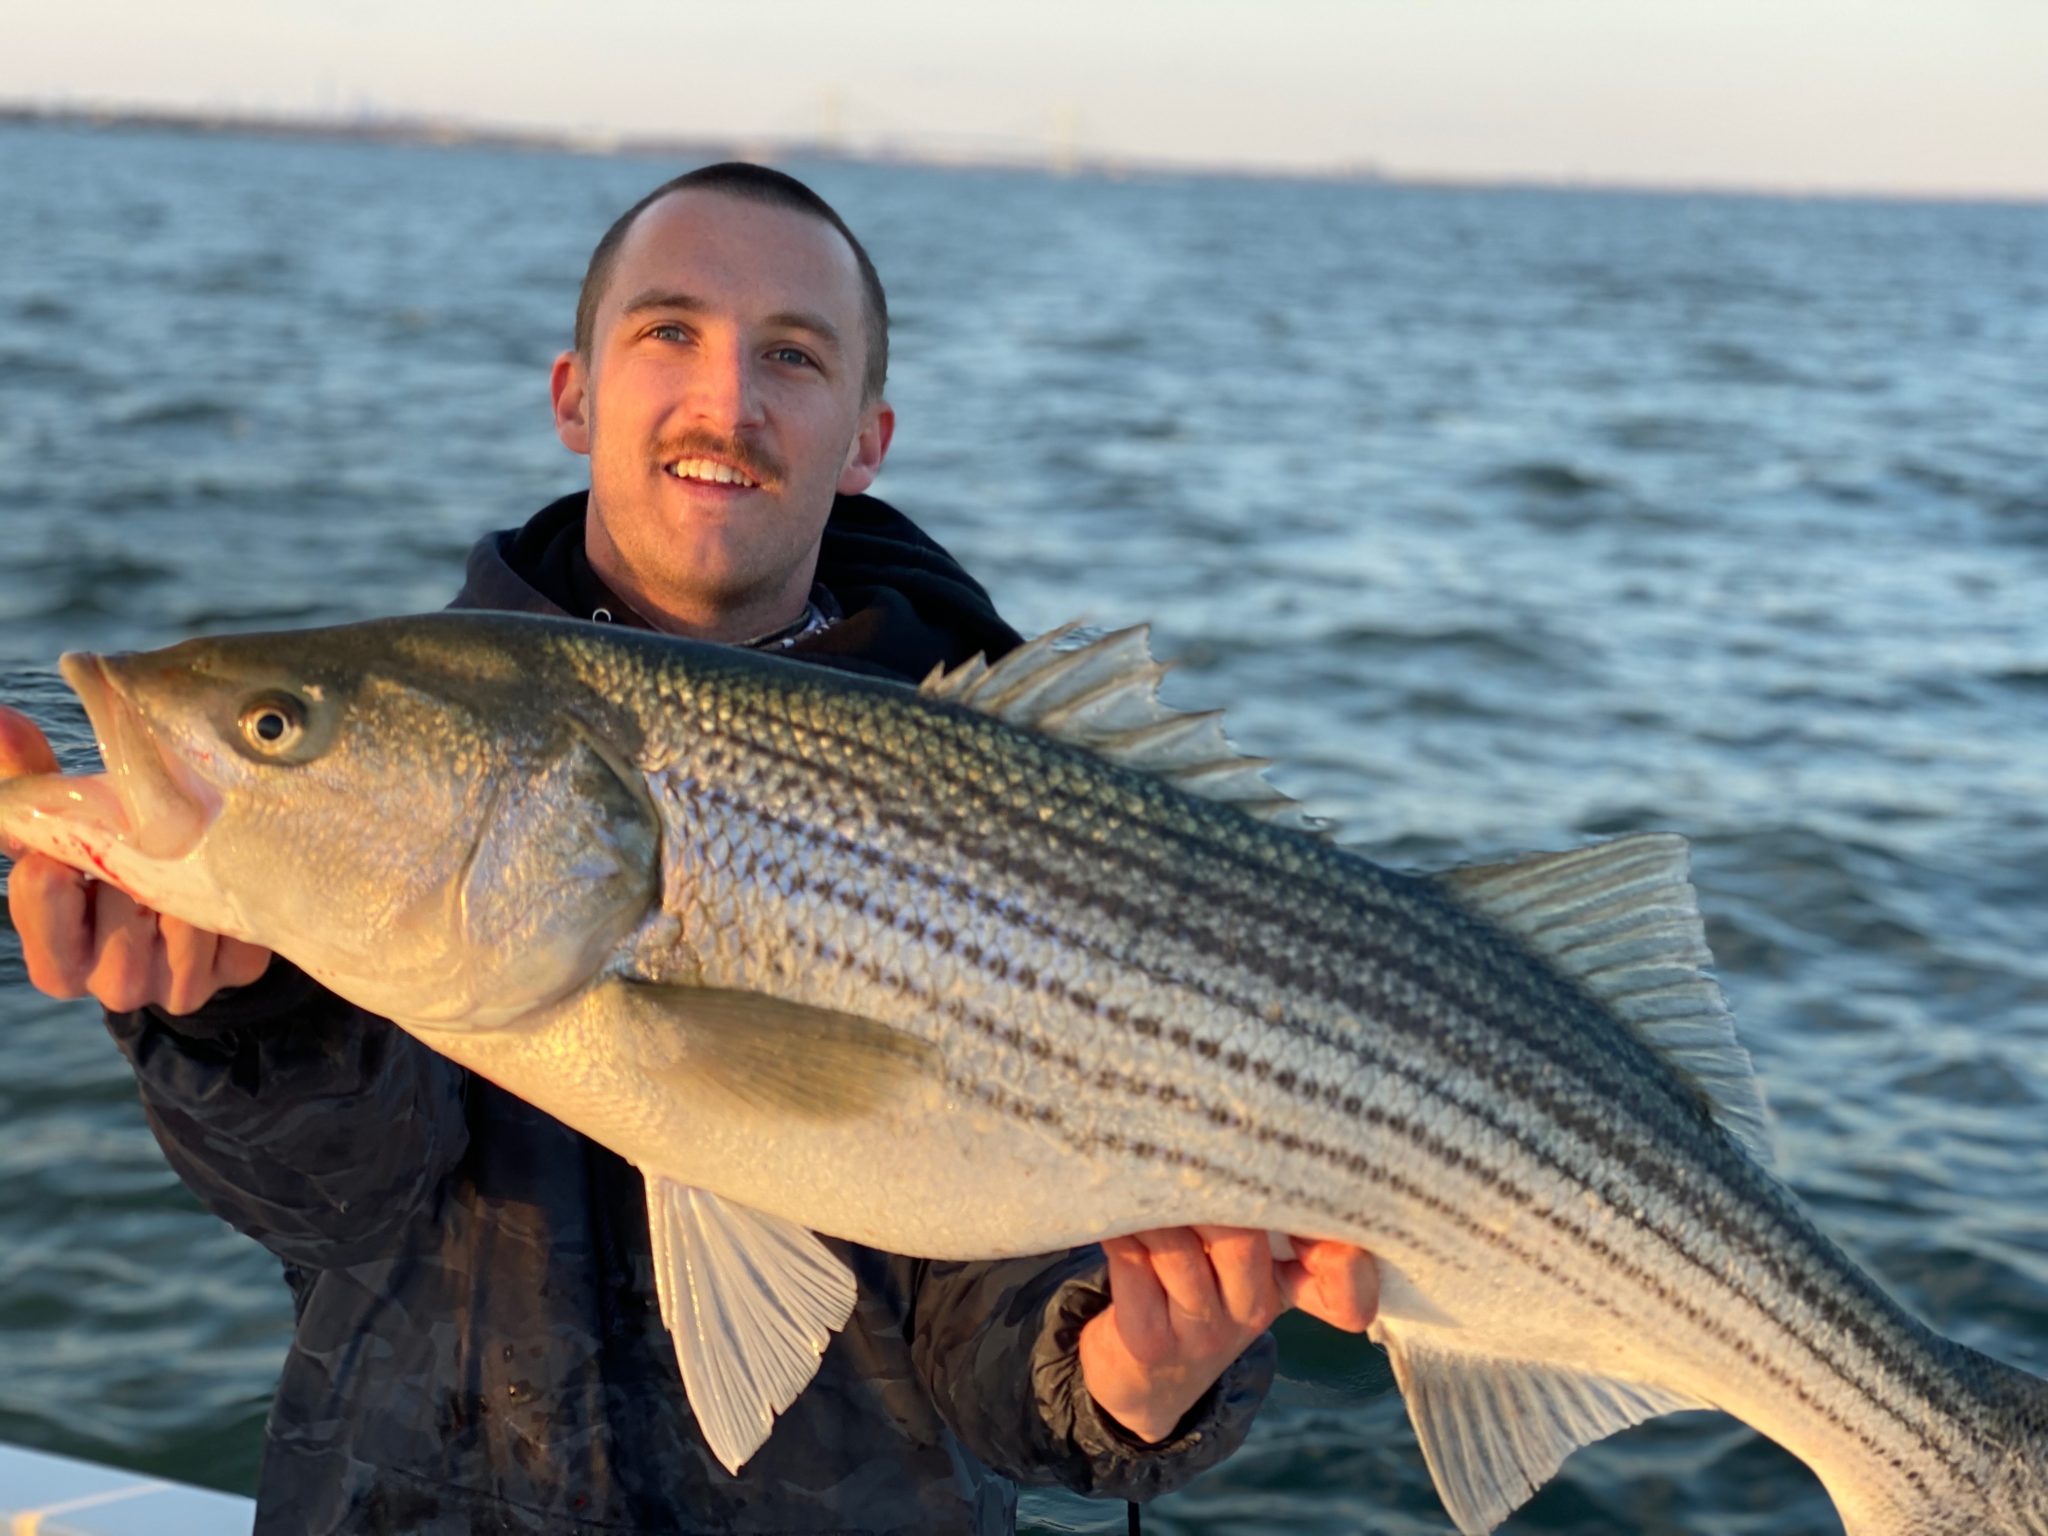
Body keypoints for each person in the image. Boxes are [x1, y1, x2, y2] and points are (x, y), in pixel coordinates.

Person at [0, 163, 1376, 1534]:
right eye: (670, 332)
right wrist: (235, 1010)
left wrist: (1128, 1374)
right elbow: (344, 1210)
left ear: (866, 441)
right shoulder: (427, 750)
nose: (728, 400)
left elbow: (996, 1306)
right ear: (574, 394)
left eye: (793, 354)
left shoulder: (1023, 798)